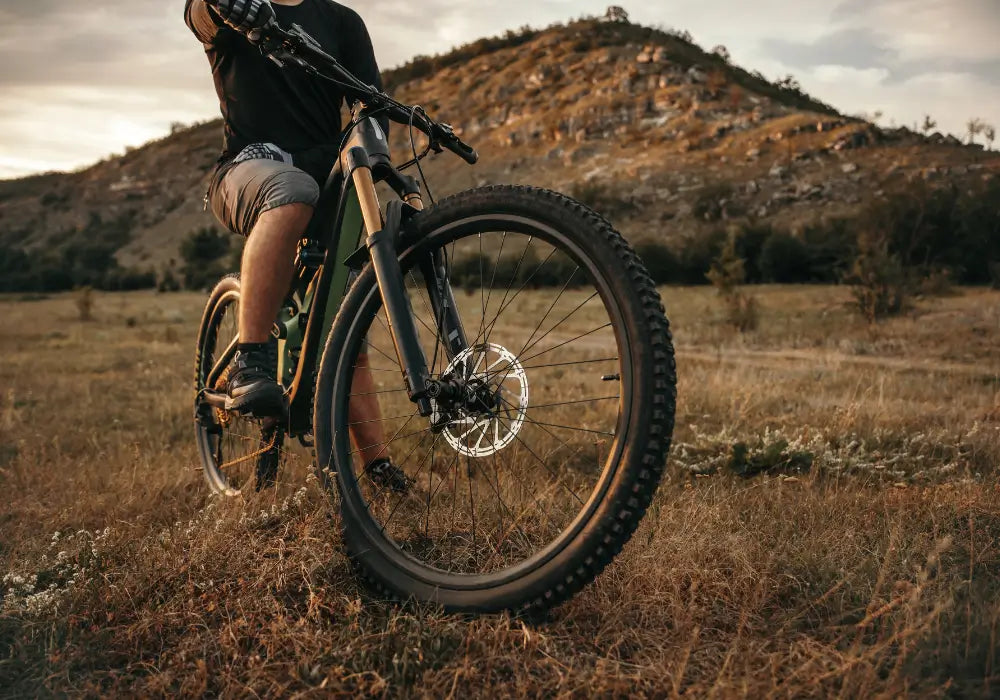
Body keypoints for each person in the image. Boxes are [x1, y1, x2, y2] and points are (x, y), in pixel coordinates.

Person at [185, 0, 410, 492]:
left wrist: (373, 151)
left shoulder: (342, 22)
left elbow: (370, 101)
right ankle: (252, 357)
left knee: (340, 314)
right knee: (292, 193)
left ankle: (377, 467)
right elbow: (201, 15)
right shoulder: (230, 9)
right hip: (248, 167)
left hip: (325, 174)